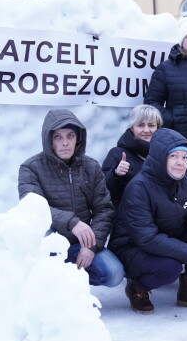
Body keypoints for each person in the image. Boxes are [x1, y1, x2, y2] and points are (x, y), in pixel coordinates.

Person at [108, 128, 187, 314]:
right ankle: (137, 287)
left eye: (184, 157)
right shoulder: (139, 187)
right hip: (131, 247)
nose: (180, 163)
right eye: (174, 156)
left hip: (167, 237)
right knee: (169, 268)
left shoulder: (185, 183)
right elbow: (147, 238)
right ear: (160, 157)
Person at [18, 109, 124, 288]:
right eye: (58, 137)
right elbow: (32, 208)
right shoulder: (31, 168)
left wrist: (91, 246)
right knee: (43, 275)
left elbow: (104, 209)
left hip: (80, 243)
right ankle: (51, 288)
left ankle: (72, 285)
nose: (65, 143)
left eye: (70, 136)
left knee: (114, 274)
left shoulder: (90, 166)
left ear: (78, 139)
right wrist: (72, 222)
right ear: (49, 140)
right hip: (47, 244)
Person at [101, 104, 162, 208]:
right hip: (127, 218)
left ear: (158, 128)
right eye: (141, 125)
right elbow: (102, 191)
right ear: (132, 128)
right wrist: (115, 174)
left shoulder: (166, 155)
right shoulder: (117, 154)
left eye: (151, 125)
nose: (146, 130)